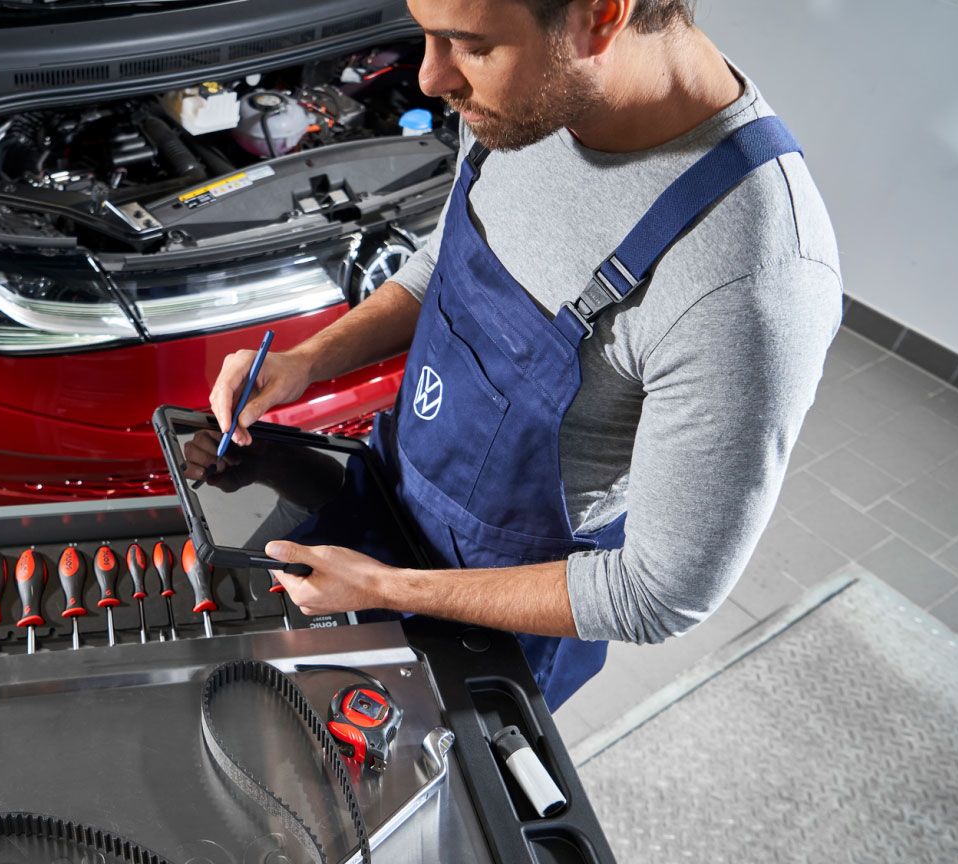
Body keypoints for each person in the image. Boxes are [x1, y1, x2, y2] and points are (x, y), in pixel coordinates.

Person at [206, 0, 841, 710]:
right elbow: (442, 258)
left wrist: (385, 588)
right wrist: (308, 359)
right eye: (426, 34)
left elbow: (659, 594)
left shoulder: (751, 280)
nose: (427, 77)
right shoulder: (519, 100)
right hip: (382, 497)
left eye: (466, 46)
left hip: (497, 624)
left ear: (601, 14)